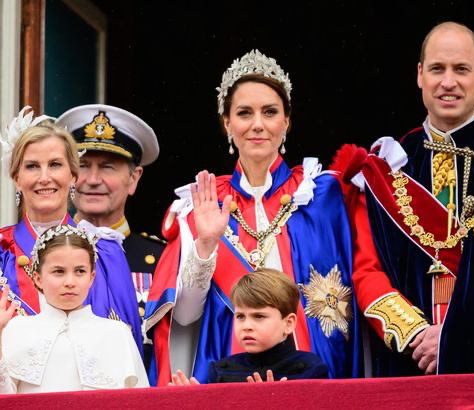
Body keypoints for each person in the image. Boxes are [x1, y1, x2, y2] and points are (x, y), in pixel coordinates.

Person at [335, 22, 474, 376]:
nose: (448, 82)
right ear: (420, 75)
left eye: (461, 69)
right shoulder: (387, 168)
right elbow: (368, 271)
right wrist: (417, 335)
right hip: (412, 365)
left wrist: (456, 337)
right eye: (437, 69)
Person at [147, 50, 360, 385]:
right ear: (227, 123)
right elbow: (184, 319)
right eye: (244, 113)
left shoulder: (322, 197)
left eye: (270, 112)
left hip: (312, 377)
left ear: (286, 122)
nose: (257, 124)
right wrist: (205, 245)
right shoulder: (203, 203)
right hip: (227, 376)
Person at [0, 107, 143, 368]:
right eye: (32, 166)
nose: (45, 177)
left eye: (55, 164)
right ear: (16, 178)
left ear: (73, 175)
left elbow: (130, 357)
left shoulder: (106, 254)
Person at [0, 224, 148, 393]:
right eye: (58, 272)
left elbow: (138, 402)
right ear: (38, 278)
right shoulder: (17, 329)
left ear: (92, 277)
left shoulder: (117, 333)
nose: (70, 282)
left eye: (80, 271)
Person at [56, 105, 164, 373]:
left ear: (133, 179)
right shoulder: (43, 252)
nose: (93, 180)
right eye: (82, 166)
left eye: (107, 167)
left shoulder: (162, 260)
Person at [170, 269, 328, 385]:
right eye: (240, 316)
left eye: (259, 316)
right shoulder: (220, 370)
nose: (246, 326)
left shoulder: (309, 369)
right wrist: (198, 403)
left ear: (288, 323)